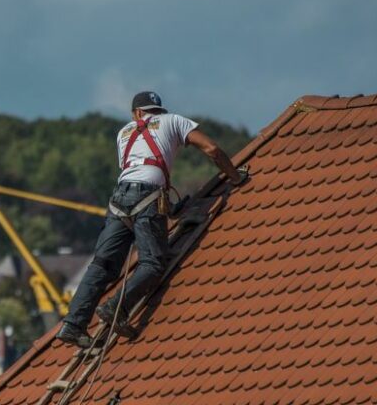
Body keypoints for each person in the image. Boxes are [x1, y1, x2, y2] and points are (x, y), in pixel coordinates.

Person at [55, 91, 245, 348]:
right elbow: (211, 149)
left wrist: (169, 208)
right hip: (148, 197)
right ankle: (116, 308)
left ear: (136, 113)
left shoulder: (123, 133)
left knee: (102, 265)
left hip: (119, 200)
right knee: (153, 263)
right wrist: (235, 177)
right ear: (157, 110)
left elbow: (137, 168)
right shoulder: (174, 121)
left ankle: (73, 324)